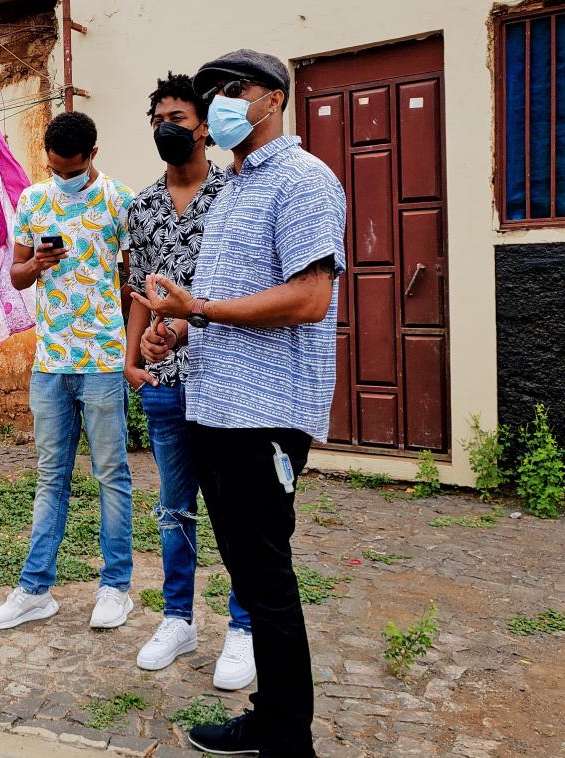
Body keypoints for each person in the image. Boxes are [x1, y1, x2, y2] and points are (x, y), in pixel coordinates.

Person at [133, 50, 347, 757]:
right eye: (212, 93)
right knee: (251, 575)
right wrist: (178, 328)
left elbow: (309, 299)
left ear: (275, 99)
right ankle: (271, 717)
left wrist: (201, 308)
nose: (220, 101)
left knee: (268, 581)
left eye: (234, 89)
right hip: (216, 408)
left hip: (265, 414)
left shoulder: (303, 179)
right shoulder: (232, 187)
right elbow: (225, 303)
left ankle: (288, 739)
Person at [126, 73, 255, 690]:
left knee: (235, 505)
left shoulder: (236, 193)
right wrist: (132, 357)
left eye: (176, 119)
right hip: (165, 378)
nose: (166, 129)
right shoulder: (142, 207)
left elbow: (246, 285)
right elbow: (139, 292)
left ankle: (244, 626)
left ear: (204, 126)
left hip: (225, 375)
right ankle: (177, 619)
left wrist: (185, 325)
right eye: (158, 120)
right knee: (175, 504)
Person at [0, 111, 136, 631]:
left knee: (111, 474)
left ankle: (115, 587)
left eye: (72, 169)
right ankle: (34, 590)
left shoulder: (120, 200)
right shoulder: (33, 200)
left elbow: (132, 280)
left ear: (93, 155)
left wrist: (123, 338)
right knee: (51, 475)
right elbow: (17, 275)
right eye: (54, 168)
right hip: (50, 361)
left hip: (103, 359)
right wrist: (36, 266)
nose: (63, 177)